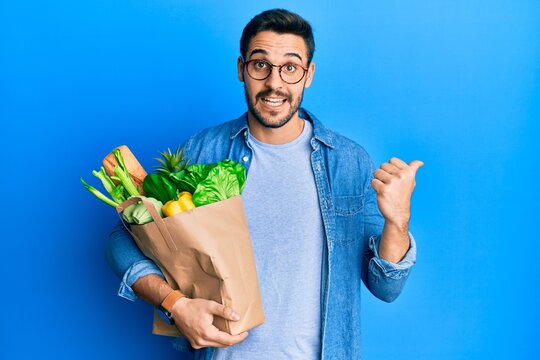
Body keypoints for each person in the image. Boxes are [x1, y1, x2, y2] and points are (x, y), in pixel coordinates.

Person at [106, 8, 422, 360]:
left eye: (290, 67)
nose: (275, 82)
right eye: (261, 65)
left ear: (308, 75)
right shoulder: (201, 151)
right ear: (242, 69)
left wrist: (398, 222)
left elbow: (386, 287)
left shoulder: (348, 162)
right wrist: (175, 304)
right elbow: (121, 241)